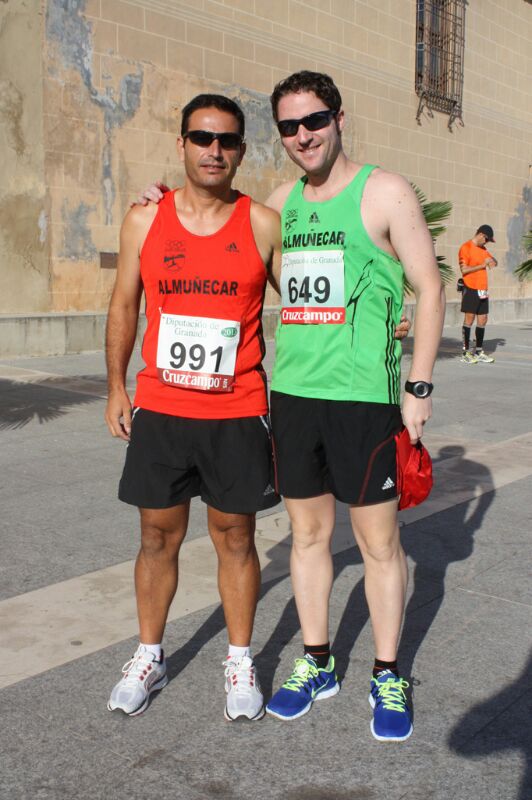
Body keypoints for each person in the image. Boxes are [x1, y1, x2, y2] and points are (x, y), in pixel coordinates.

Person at [260, 71, 444, 741]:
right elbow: (227, 235)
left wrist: (418, 388)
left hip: (364, 400)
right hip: (295, 395)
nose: (303, 135)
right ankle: (317, 661)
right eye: (288, 126)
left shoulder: (385, 191)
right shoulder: (280, 200)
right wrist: (158, 201)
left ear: (339, 118)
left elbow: (429, 286)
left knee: (378, 544)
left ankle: (388, 671)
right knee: (307, 538)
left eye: (314, 121)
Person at [105, 93, 283, 721]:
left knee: (235, 536)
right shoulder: (144, 220)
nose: (215, 150)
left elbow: (309, 299)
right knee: (157, 535)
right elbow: (125, 304)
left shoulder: (263, 222)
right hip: (162, 407)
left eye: (228, 140)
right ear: (181, 143)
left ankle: (240, 659)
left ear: (241, 150)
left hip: (238, 408)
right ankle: (149, 654)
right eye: (202, 138)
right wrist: (116, 386)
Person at [458, 225, 497, 364]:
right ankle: (465, 352)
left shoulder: (483, 250)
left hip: (483, 290)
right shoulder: (466, 247)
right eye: (486, 239)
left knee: (483, 319)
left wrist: (493, 261)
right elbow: (464, 270)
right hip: (470, 287)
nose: (486, 242)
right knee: (469, 319)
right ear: (481, 234)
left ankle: (479, 351)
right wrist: (482, 265)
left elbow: (492, 261)